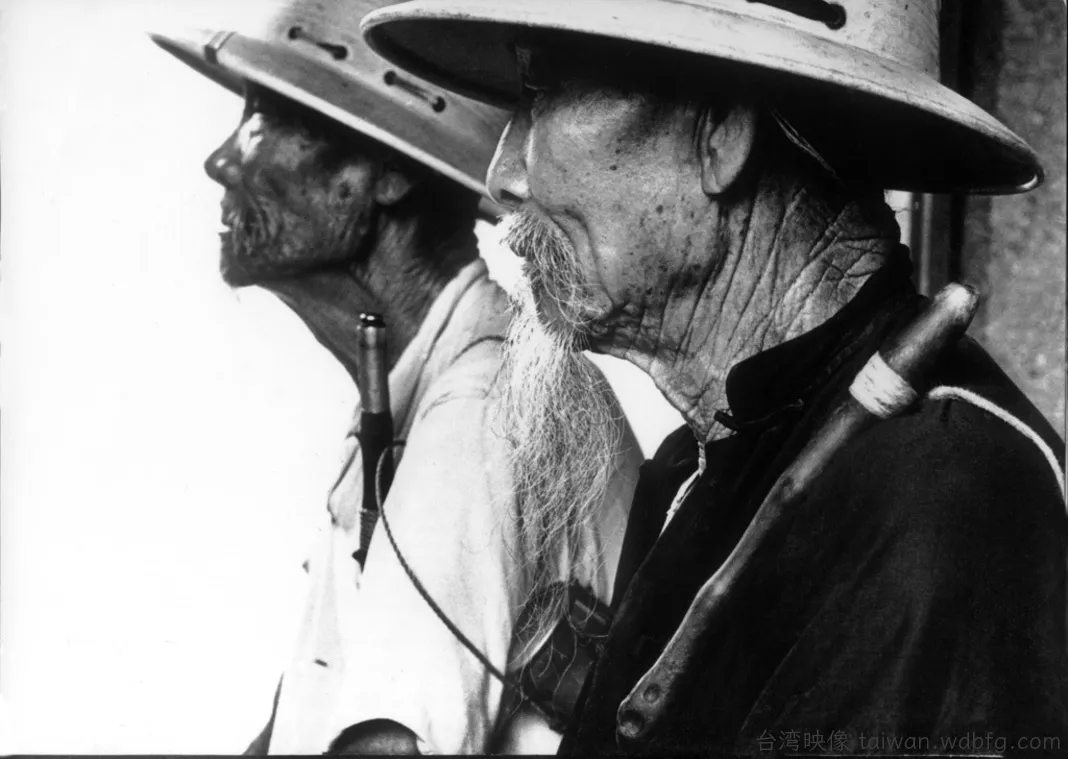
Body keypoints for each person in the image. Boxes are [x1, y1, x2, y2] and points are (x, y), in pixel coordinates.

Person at [362, 1, 1068, 755]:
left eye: (546, 90)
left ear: (722, 133)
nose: (502, 175)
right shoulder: (694, 467)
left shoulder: (945, 485)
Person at [152, 1, 641, 754]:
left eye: (268, 118)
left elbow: (390, 746)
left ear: (384, 176)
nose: (222, 161)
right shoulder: (433, 390)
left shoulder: (476, 410)